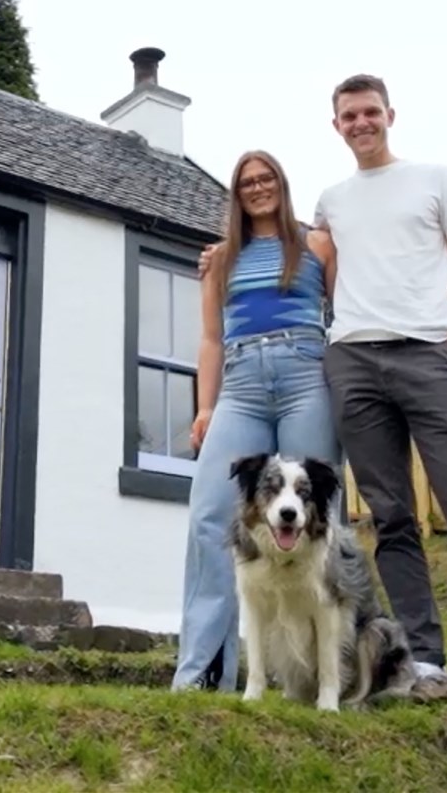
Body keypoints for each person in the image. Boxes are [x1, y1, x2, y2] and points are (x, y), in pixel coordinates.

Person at [204, 74, 447, 707]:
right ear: (336, 125)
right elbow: (295, 251)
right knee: (392, 519)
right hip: (351, 362)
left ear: (389, 115)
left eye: (370, 112)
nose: (360, 123)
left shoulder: (436, 179)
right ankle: (423, 656)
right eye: (349, 115)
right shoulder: (332, 202)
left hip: (429, 353)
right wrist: (223, 255)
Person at [171, 150, 340, 693]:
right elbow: (211, 338)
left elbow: (350, 309)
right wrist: (205, 406)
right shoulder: (221, 258)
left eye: (267, 179)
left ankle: (326, 675)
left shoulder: (316, 244)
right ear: (237, 194)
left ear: (282, 185)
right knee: (210, 518)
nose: (258, 188)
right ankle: (201, 673)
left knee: (323, 520)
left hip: (305, 375)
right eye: (248, 182)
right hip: (241, 382)